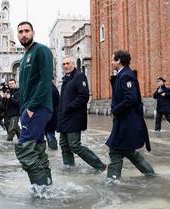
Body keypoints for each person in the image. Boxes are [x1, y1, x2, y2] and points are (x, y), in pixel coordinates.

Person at [106, 50, 155, 180]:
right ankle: (151, 175)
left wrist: (115, 110)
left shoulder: (126, 75)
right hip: (124, 121)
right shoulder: (122, 75)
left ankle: (112, 181)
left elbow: (130, 98)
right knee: (127, 150)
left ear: (118, 60)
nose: (111, 62)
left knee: (115, 150)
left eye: (112, 60)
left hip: (127, 121)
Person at [15, 21, 53, 186]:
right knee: (37, 150)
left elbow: (45, 82)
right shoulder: (24, 57)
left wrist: (31, 108)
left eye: (27, 31)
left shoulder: (41, 50)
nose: (24, 34)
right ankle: (47, 188)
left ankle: (40, 190)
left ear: (33, 32)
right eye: (20, 32)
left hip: (38, 108)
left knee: (24, 150)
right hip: (29, 109)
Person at [57, 55, 106, 171]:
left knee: (75, 145)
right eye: (64, 64)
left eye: (68, 63)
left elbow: (84, 96)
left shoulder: (79, 76)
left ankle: (101, 166)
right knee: (64, 146)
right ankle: (69, 169)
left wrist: (69, 107)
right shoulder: (65, 79)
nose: (66, 66)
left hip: (74, 117)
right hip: (64, 119)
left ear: (73, 64)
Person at [45, 82, 59, 150]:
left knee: (50, 134)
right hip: (51, 115)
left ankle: (53, 149)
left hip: (49, 116)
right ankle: (52, 151)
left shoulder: (50, 89)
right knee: (49, 134)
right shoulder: (52, 88)